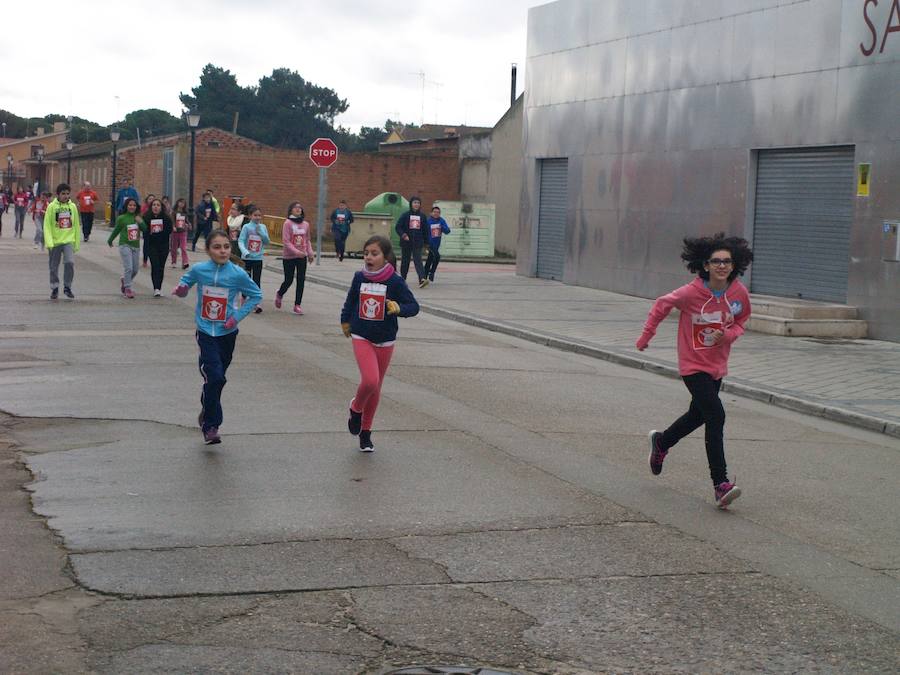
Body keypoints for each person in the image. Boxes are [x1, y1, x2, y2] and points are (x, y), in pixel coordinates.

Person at [636, 233, 753, 509]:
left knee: (697, 414)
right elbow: (661, 305)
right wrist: (646, 335)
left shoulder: (738, 293)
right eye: (716, 261)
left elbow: (742, 320)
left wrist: (729, 335)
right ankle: (720, 484)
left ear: (734, 265)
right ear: (705, 264)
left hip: (717, 366)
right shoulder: (690, 293)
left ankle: (662, 442)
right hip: (692, 366)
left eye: (727, 261)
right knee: (716, 415)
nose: (722, 266)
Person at [171, 229, 263, 445]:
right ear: (208, 250)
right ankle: (211, 426)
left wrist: (235, 318)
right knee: (215, 377)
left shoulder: (237, 273)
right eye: (217, 247)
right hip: (205, 332)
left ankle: (207, 407)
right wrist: (181, 289)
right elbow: (185, 287)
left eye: (226, 247)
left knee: (216, 380)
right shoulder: (199, 270)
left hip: (227, 333)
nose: (222, 251)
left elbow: (256, 295)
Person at [341, 235, 419, 452]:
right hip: (361, 335)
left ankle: (365, 433)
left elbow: (413, 306)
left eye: (374, 254)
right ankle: (356, 408)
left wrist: (399, 309)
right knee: (370, 381)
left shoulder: (394, 281)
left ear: (386, 257)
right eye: (366, 253)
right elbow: (350, 301)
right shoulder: (359, 277)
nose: (368, 257)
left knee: (376, 388)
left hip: (385, 340)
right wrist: (345, 321)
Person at [43, 183, 81, 300]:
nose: (65, 196)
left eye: (67, 194)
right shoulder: (51, 207)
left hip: (68, 240)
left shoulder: (73, 207)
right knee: (53, 266)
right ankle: (54, 287)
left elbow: (75, 225)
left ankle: (67, 287)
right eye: (63, 194)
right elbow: (47, 225)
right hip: (55, 242)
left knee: (70, 262)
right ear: (58, 194)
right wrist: (49, 242)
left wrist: (76, 243)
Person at [275, 201, 314, 315]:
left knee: (301, 280)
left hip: (302, 256)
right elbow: (286, 242)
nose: (298, 209)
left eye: (300, 208)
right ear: (291, 210)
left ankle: (297, 305)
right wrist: (296, 252)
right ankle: (280, 293)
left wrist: (310, 253)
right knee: (289, 280)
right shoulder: (287, 223)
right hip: (289, 256)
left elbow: (307, 240)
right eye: (295, 208)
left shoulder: (305, 224)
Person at [106, 197, 145, 299]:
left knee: (135, 269)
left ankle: (125, 280)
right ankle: (128, 288)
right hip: (125, 245)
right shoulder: (122, 218)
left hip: (135, 246)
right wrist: (110, 240)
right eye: (130, 205)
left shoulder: (138, 217)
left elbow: (145, 229)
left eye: (134, 205)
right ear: (126, 206)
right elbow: (116, 230)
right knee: (129, 268)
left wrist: (140, 222)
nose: (132, 207)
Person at [238, 205, 269, 314]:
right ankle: (243, 298)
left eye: (259, 215)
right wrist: (245, 252)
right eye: (255, 215)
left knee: (257, 280)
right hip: (247, 258)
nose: (257, 217)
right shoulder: (246, 227)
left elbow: (267, 241)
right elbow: (241, 241)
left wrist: (261, 233)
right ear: (250, 216)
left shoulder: (263, 227)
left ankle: (256, 302)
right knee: (246, 279)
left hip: (258, 258)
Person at [394, 195, 428, 286]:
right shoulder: (405, 215)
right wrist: (403, 235)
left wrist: (426, 243)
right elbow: (398, 227)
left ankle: (422, 279)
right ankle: (403, 279)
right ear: (411, 204)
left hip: (418, 242)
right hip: (406, 242)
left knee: (418, 261)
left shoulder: (423, 216)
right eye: (415, 202)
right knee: (405, 261)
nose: (416, 204)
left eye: (418, 203)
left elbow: (426, 230)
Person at [144, 198, 173, 297]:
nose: (155, 207)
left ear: (161, 207)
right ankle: (156, 287)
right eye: (154, 205)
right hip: (152, 245)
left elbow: (169, 231)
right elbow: (144, 231)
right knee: (155, 266)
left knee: (161, 267)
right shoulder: (147, 217)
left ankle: (159, 287)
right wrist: (149, 232)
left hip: (163, 245)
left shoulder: (166, 218)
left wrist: (159, 232)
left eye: (158, 205)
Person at [423, 205, 451, 285]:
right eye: (434, 212)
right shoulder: (428, 221)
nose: (436, 214)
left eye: (438, 212)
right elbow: (424, 232)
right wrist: (425, 243)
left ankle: (424, 275)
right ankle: (432, 272)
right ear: (431, 213)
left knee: (430, 259)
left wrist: (442, 227)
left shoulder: (441, 221)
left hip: (436, 244)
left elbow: (448, 231)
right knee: (437, 257)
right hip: (429, 244)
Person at [169, 197, 190, 270]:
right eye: (180, 202)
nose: (181, 204)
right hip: (175, 232)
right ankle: (173, 261)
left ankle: (185, 262)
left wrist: (188, 224)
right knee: (174, 248)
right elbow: (172, 220)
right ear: (177, 203)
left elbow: (186, 221)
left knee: (183, 247)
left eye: (183, 203)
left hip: (183, 231)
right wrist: (173, 226)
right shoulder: (174, 212)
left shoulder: (185, 213)